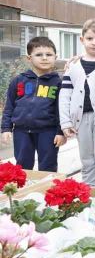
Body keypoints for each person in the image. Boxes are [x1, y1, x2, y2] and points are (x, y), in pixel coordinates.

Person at [59, 19, 95, 187]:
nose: (94, 43)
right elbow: (65, 95)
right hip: (80, 120)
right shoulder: (73, 66)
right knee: (87, 161)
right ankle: (89, 196)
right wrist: (65, 122)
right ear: (82, 39)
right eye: (90, 38)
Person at [1, 36, 65, 171]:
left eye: (49, 54)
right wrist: (6, 128)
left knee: (48, 166)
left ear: (55, 57)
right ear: (29, 58)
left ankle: (47, 191)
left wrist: (61, 132)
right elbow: (9, 106)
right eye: (39, 55)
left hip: (48, 132)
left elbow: (62, 110)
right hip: (22, 131)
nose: (44, 58)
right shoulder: (18, 80)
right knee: (22, 166)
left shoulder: (58, 83)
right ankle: (23, 191)